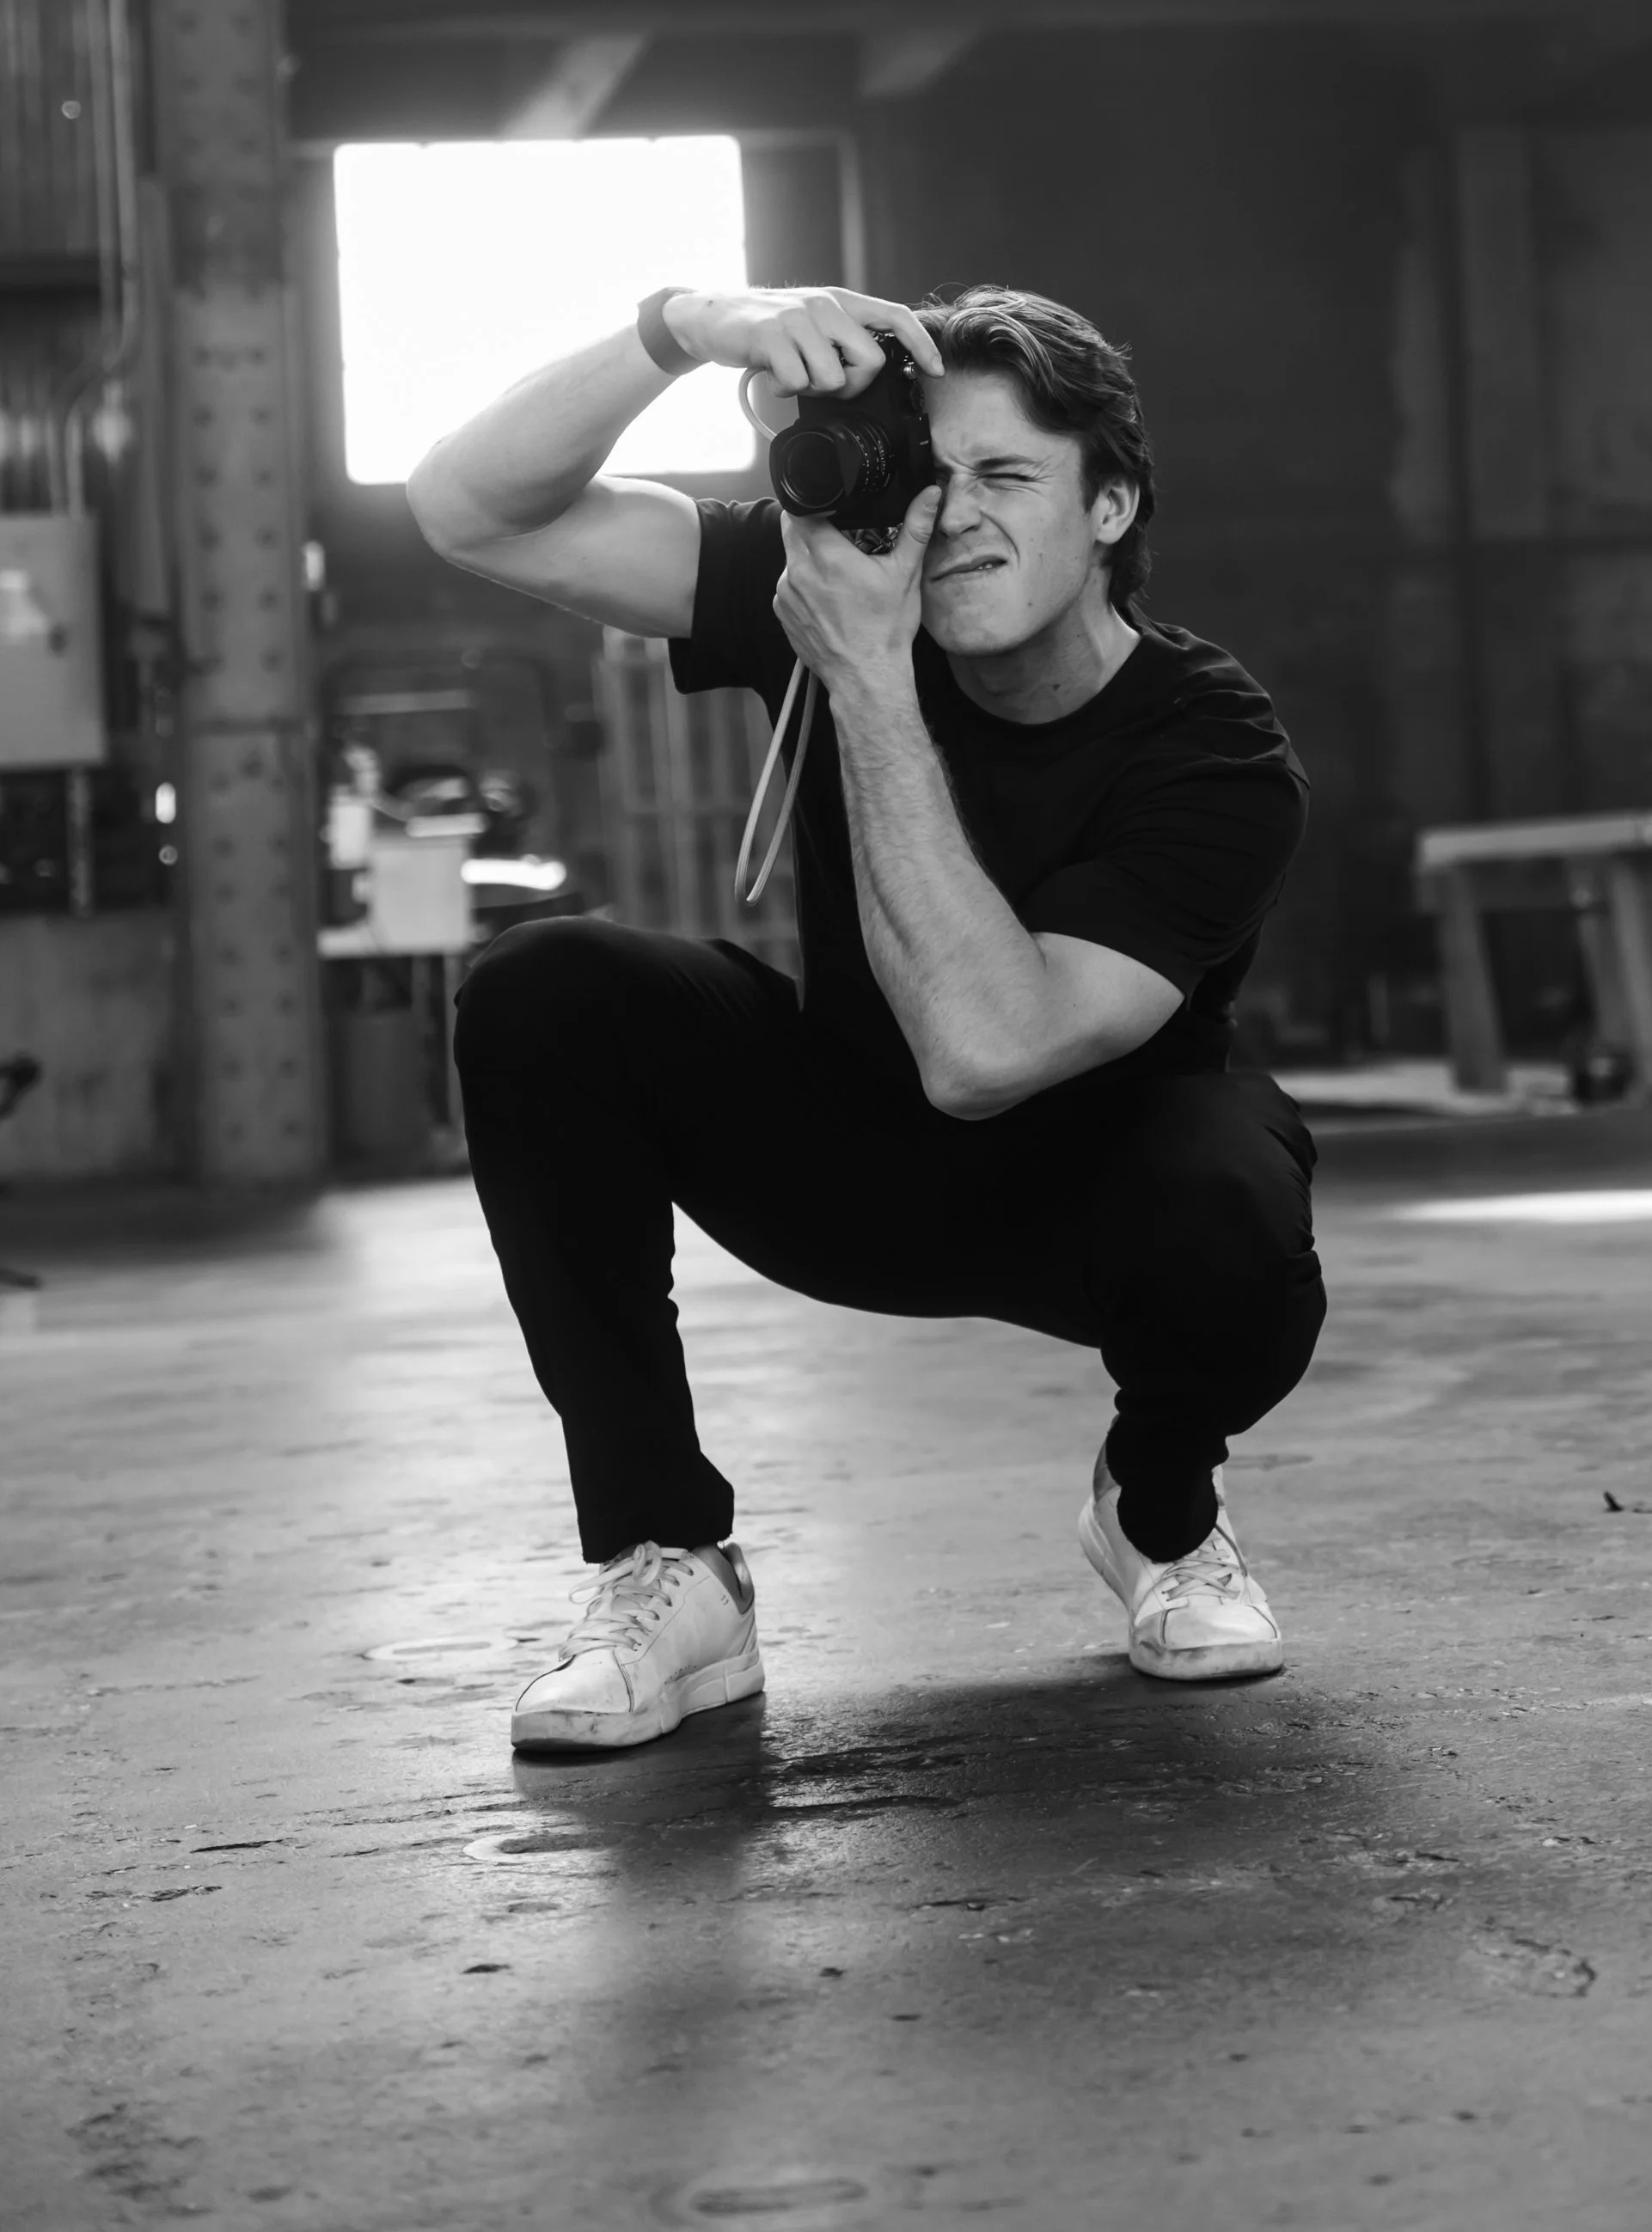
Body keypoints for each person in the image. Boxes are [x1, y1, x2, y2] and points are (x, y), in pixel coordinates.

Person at [408, 282, 1326, 1753]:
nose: (953, 518)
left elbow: (986, 1057)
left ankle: (1158, 1513)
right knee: (547, 987)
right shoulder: (844, 573)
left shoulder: (1213, 748)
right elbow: (467, 511)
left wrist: (866, 680)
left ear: (1110, 509)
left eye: (1011, 476)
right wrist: (679, 328)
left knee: (1234, 1187)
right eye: (929, 474)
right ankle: (671, 1565)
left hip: (1094, 1199)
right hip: (843, 1164)